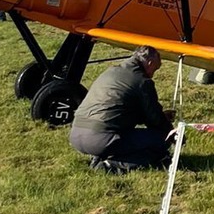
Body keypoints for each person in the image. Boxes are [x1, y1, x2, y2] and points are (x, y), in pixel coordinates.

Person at [69, 45, 173, 173]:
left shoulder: (110, 71)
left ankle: (101, 155)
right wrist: (172, 133)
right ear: (150, 63)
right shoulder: (142, 81)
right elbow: (155, 120)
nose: (153, 74)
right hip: (100, 139)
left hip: (76, 134)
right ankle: (110, 165)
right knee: (162, 140)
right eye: (155, 69)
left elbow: (119, 109)